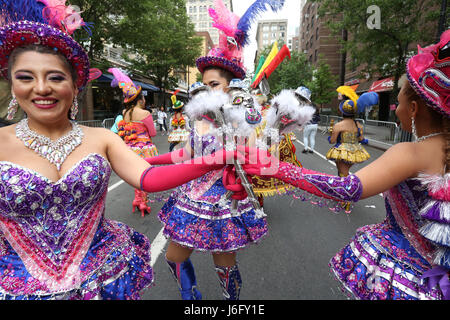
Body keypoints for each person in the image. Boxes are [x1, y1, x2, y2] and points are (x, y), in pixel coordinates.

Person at [0, 0, 238, 300]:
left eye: (56, 77)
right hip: (15, 287)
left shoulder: (102, 137)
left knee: (219, 256)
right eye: (25, 77)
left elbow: (148, 177)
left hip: (99, 280)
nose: (42, 88)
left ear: (75, 86)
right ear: (11, 85)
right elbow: (178, 152)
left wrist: (219, 159)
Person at [242, 30, 450, 300]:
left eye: (397, 102)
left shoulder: (410, 152)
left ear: (413, 109)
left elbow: (349, 188)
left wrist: (277, 168)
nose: (395, 110)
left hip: (408, 275)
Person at [145, 0, 284, 300]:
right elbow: (183, 154)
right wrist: (150, 159)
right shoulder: (199, 117)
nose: (207, 90)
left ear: (230, 86)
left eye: (214, 84)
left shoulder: (241, 118)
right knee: (173, 257)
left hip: (223, 200)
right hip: (192, 197)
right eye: (204, 84)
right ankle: (190, 296)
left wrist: (251, 139)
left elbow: (259, 156)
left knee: (225, 268)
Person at [109, 67, 158, 217]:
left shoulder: (125, 113)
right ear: (140, 99)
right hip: (145, 149)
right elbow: (153, 133)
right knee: (145, 176)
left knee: (136, 176)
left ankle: (137, 199)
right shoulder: (145, 113)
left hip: (130, 149)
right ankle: (142, 200)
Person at [326, 86, 370, 177]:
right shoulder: (358, 124)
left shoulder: (338, 126)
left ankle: (345, 190)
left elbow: (332, 141)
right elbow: (361, 139)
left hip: (342, 152)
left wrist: (330, 137)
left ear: (342, 112)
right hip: (355, 152)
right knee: (342, 172)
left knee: (343, 174)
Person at [301, 87, 320, 154]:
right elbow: (319, 118)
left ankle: (305, 148)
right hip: (315, 125)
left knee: (305, 137)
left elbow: (305, 118)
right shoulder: (316, 110)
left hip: (309, 125)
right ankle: (312, 150)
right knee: (312, 138)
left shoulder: (308, 109)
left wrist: (302, 126)